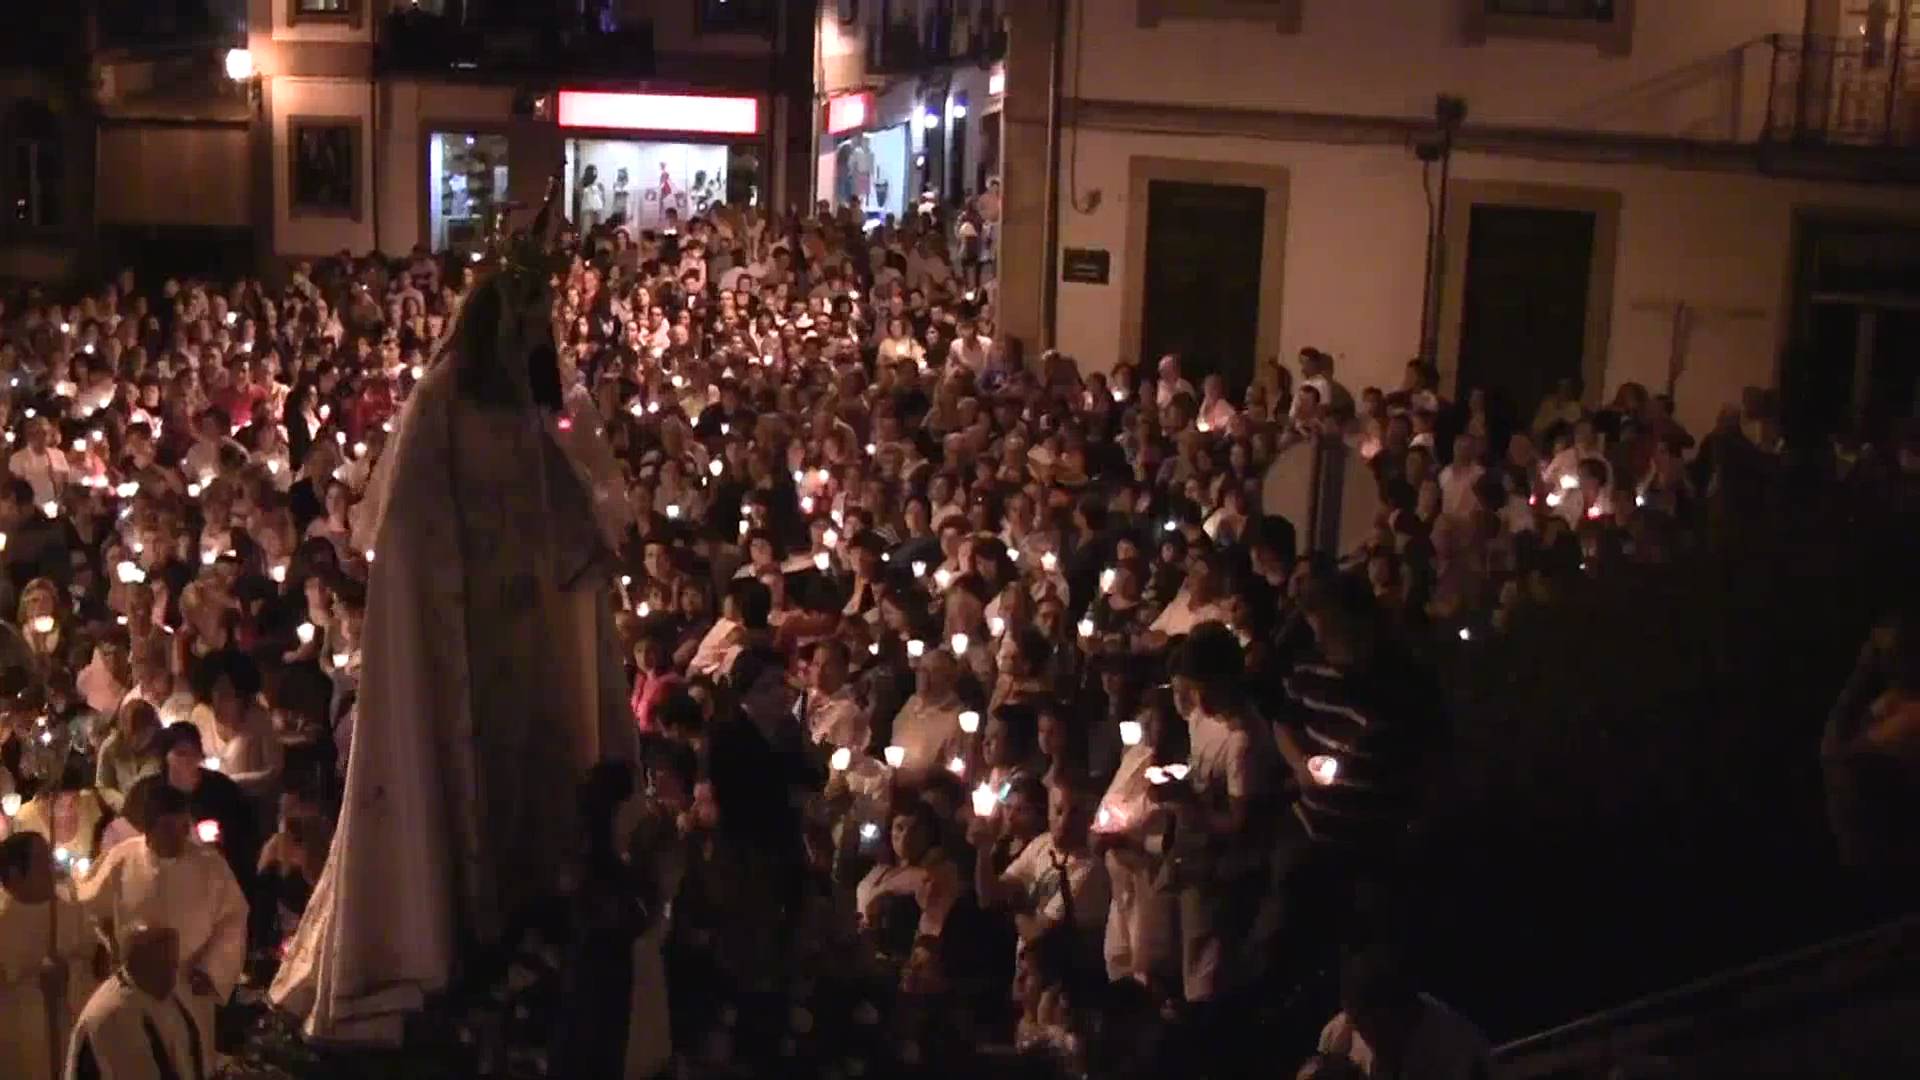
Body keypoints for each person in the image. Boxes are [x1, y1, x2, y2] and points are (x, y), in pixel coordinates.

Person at [271, 193, 637, 1046]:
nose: (532, 340)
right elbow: (407, 524)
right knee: (461, 775)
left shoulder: (537, 405)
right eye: (522, 322)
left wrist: (578, 527)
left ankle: (525, 917)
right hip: (460, 623)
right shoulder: (442, 400)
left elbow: (573, 490)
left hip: (526, 623)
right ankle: (458, 934)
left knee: (529, 771)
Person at [78, 783, 246, 1069]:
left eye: (184, 827)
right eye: (169, 828)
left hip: (188, 984)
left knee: (189, 1060)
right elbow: (90, 909)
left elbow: (232, 920)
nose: (180, 836)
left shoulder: (210, 866)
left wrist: (211, 969)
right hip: (134, 991)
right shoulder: (121, 860)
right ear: (148, 828)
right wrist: (106, 947)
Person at [1, 833, 101, 1080]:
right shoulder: (4, 929)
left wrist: (73, 971)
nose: (52, 869)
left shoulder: (76, 915)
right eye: (42, 861)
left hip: (73, 1031)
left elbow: (100, 965)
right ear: (15, 874)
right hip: (25, 1041)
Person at [1316, 945, 1491, 1079]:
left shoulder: (1460, 1050)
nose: (1368, 1038)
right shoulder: (1339, 1034)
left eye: (1380, 1028)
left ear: (1407, 1012)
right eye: (1358, 1026)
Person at [63, 923, 206, 1080]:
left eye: (173, 964)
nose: (172, 973)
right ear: (137, 963)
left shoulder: (167, 996)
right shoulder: (111, 1016)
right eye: (164, 964)